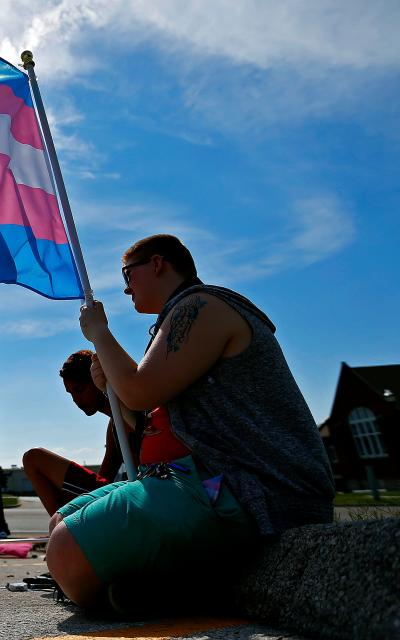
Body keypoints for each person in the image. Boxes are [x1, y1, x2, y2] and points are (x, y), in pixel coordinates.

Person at [46, 234, 335, 611]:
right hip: (200, 480)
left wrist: (99, 333)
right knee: (59, 523)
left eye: (127, 273)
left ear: (157, 264)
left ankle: (187, 589)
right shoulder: (177, 318)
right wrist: (113, 389)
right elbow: (148, 415)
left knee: (67, 551)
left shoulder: (202, 305)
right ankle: (162, 587)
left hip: (256, 489)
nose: (124, 286)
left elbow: (140, 390)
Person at [22, 350, 141, 516]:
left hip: (136, 502)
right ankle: (66, 529)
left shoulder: (130, 415)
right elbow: (104, 479)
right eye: (71, 394)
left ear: (99, 381)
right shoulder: (114, 426)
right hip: (123, 497)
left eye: (79, 389)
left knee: (33, 458)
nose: (76, 400)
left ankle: (63, 531)